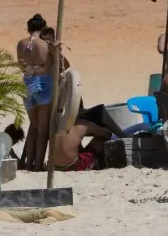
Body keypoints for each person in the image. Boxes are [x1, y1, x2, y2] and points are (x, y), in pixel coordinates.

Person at [17, 14, 53, 171]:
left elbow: (22, 66)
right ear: (43, 29)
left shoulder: (21, 44)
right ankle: (38, 166)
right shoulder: (44, 44)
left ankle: (29, 163)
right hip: (42, 83)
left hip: (27, 83)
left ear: (28, 28)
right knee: (43, 128)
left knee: (34, 124)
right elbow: (60, 63)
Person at [51, 102, 115, 172]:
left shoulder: (59, 123)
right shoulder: (84, 124)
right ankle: (100, 164)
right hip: (73, 166)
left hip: (55, 166)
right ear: (81, 110)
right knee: (101, 139)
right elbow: (107, 134)